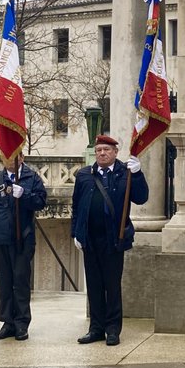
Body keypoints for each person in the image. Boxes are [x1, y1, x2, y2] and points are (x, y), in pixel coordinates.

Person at [70, 134, 148, 346]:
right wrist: (76, 233)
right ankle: (96, 328)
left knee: (111, 286)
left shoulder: (126, 173)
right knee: (94, 286)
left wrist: (138, 174)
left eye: (106, 150)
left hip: (113, 238)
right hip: (90, 238)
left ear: (115, 152)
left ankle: (112, 329)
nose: (102, 153)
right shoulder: (85, 174)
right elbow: (76, 206)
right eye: (99, 150)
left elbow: (141, 197)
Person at [0, 154, 47, 341]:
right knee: (5, 282)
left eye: (13, 156)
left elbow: (41, 202)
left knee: (21, 282)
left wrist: (24, 195)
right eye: (6, 156)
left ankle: (22, 323)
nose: (9, 159)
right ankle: (7, 322)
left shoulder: (32, 178)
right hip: (0, 239)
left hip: (22, 240)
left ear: (22, 157)